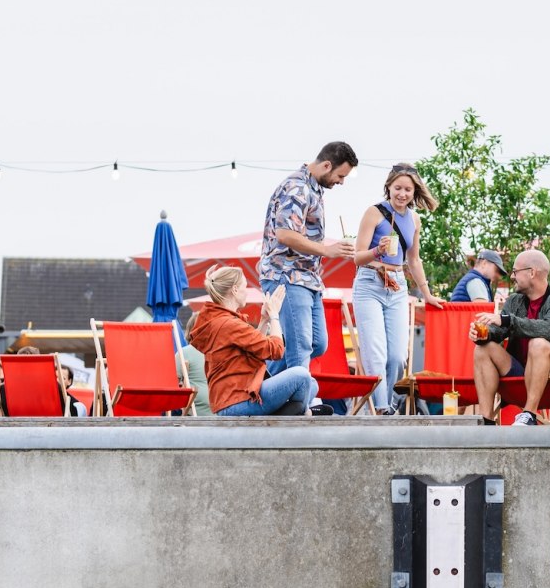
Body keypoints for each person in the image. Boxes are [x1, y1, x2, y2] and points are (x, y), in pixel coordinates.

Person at [351, 163, 444, 414]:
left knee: (398, 357)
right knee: (376, 355)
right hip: (370, 282)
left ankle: (389, 405)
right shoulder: (374, 213)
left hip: (397, 285)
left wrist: (426, 294)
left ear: (415, 192)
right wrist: (377, 250)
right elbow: (357, 257)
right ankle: (382, 409)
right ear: (388, 187)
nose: (402, 194)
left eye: (408, 190)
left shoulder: (414, 219)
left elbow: (413, 260)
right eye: (398, 188)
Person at [258, 141, 357, 373]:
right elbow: (284, 234)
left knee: (316, 344)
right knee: (301, 347)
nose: (341, 182)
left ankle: (263, 380)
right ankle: (298, 407)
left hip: (308, 279)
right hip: (287, 275)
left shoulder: (313, 188)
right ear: (326, 165)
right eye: (341, 175)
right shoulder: (297, 188)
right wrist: (327, 250)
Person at [189, 266, 330, 417]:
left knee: (311, 383)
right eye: (245, 286)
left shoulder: (219, 320)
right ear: (235, 290)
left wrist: (264, 320)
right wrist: (275, 315)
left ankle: (294, 411)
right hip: (239, 402)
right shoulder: (229, 324)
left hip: (234, 399)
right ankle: (300, 412)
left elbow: (254, 350)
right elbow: (275, 350)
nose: (247, 292)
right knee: (301, 375)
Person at [471, 249, 550, 425]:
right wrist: (483, 334)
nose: (512, 276)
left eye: (515, 271)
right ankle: (486, 420)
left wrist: (506, 320)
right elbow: (499, 332)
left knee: (538, 343)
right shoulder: (514, 301)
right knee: (482, 348)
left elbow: (548, 328)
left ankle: (529, 414)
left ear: (532, 272)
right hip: (520, 373)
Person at [174, 307, 213, 416]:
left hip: (194, 414)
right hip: (221, 411)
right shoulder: (219, 352)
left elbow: (173, 386)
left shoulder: (183, 354)